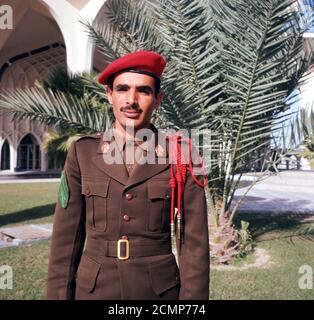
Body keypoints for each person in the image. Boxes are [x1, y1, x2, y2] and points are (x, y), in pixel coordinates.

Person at [46, 51, 209, 300]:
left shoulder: (182, 155)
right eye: (123, 89)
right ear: (109, 94)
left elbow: (194, 247)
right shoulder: (83, 152)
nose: (131, 100)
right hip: (94, 290)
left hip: (157, 292)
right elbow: (65, 242)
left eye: (143, 91)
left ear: (158, 99)